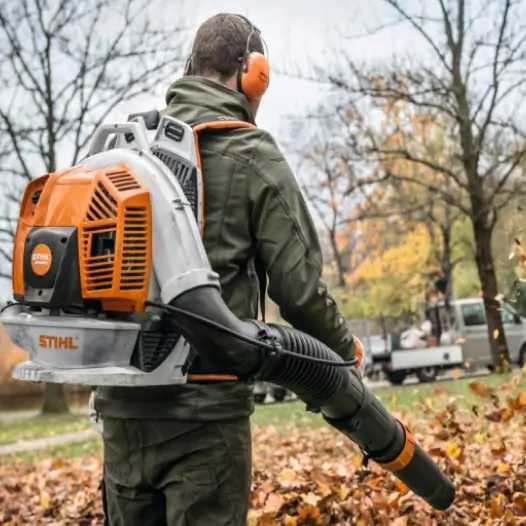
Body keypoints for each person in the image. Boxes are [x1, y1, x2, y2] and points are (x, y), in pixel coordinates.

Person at [92, 13, 365, 526]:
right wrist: (345, 353)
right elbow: (299, 290)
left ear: (189, 68)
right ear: (253, 73)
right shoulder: (251, 151)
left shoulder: (126, 151)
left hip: (122, 407)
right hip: (206, 411)